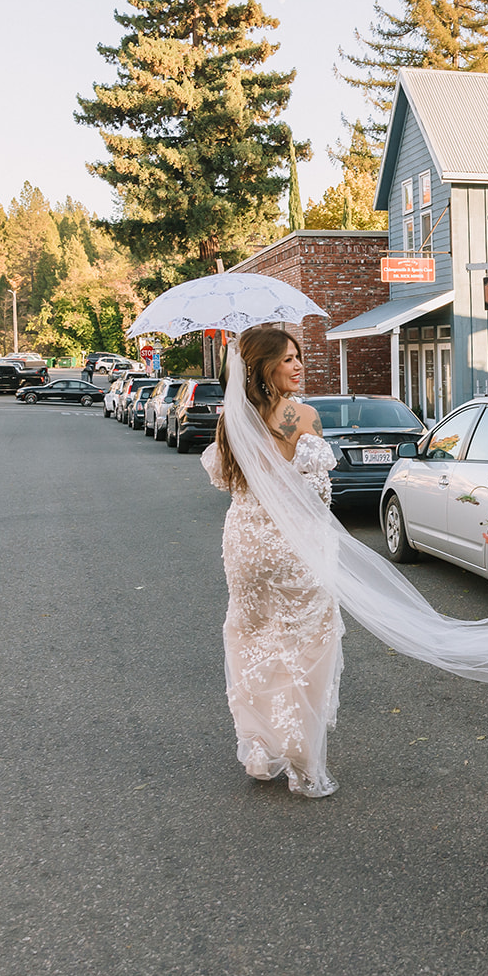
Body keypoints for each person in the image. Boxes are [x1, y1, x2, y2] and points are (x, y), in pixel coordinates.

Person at [201, 325, 342, 797]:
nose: (299, 365)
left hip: (245, 546)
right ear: (263, 367)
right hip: (295, 547)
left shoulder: (231, 421)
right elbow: (320, 496)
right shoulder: (302, 416)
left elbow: (224, 481)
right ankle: (303, 764)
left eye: (298, 356)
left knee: (251, 641)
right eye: (287, 359)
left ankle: (259, 749)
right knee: (306, 649)